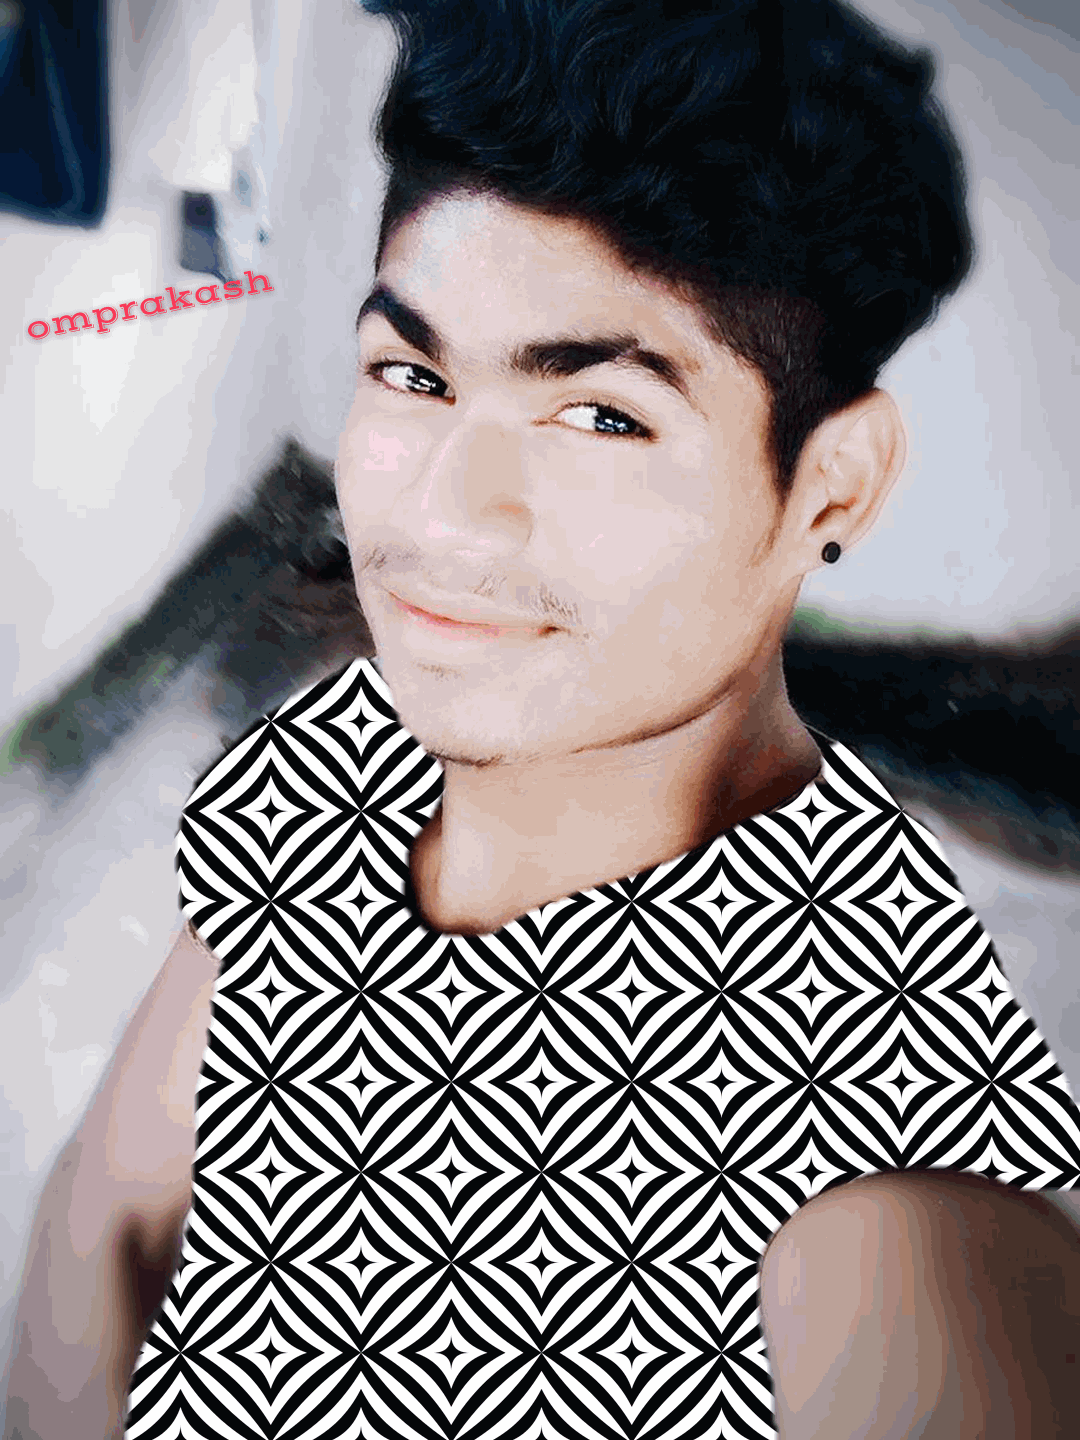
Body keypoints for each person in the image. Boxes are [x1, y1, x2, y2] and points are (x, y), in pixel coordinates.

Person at [7, 0, 1080, 1436]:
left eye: (602, 416)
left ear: (833, 484)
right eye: (415, 375)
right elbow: (103, 1248)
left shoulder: (883, 1199)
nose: (446, 513)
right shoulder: (326, 769)